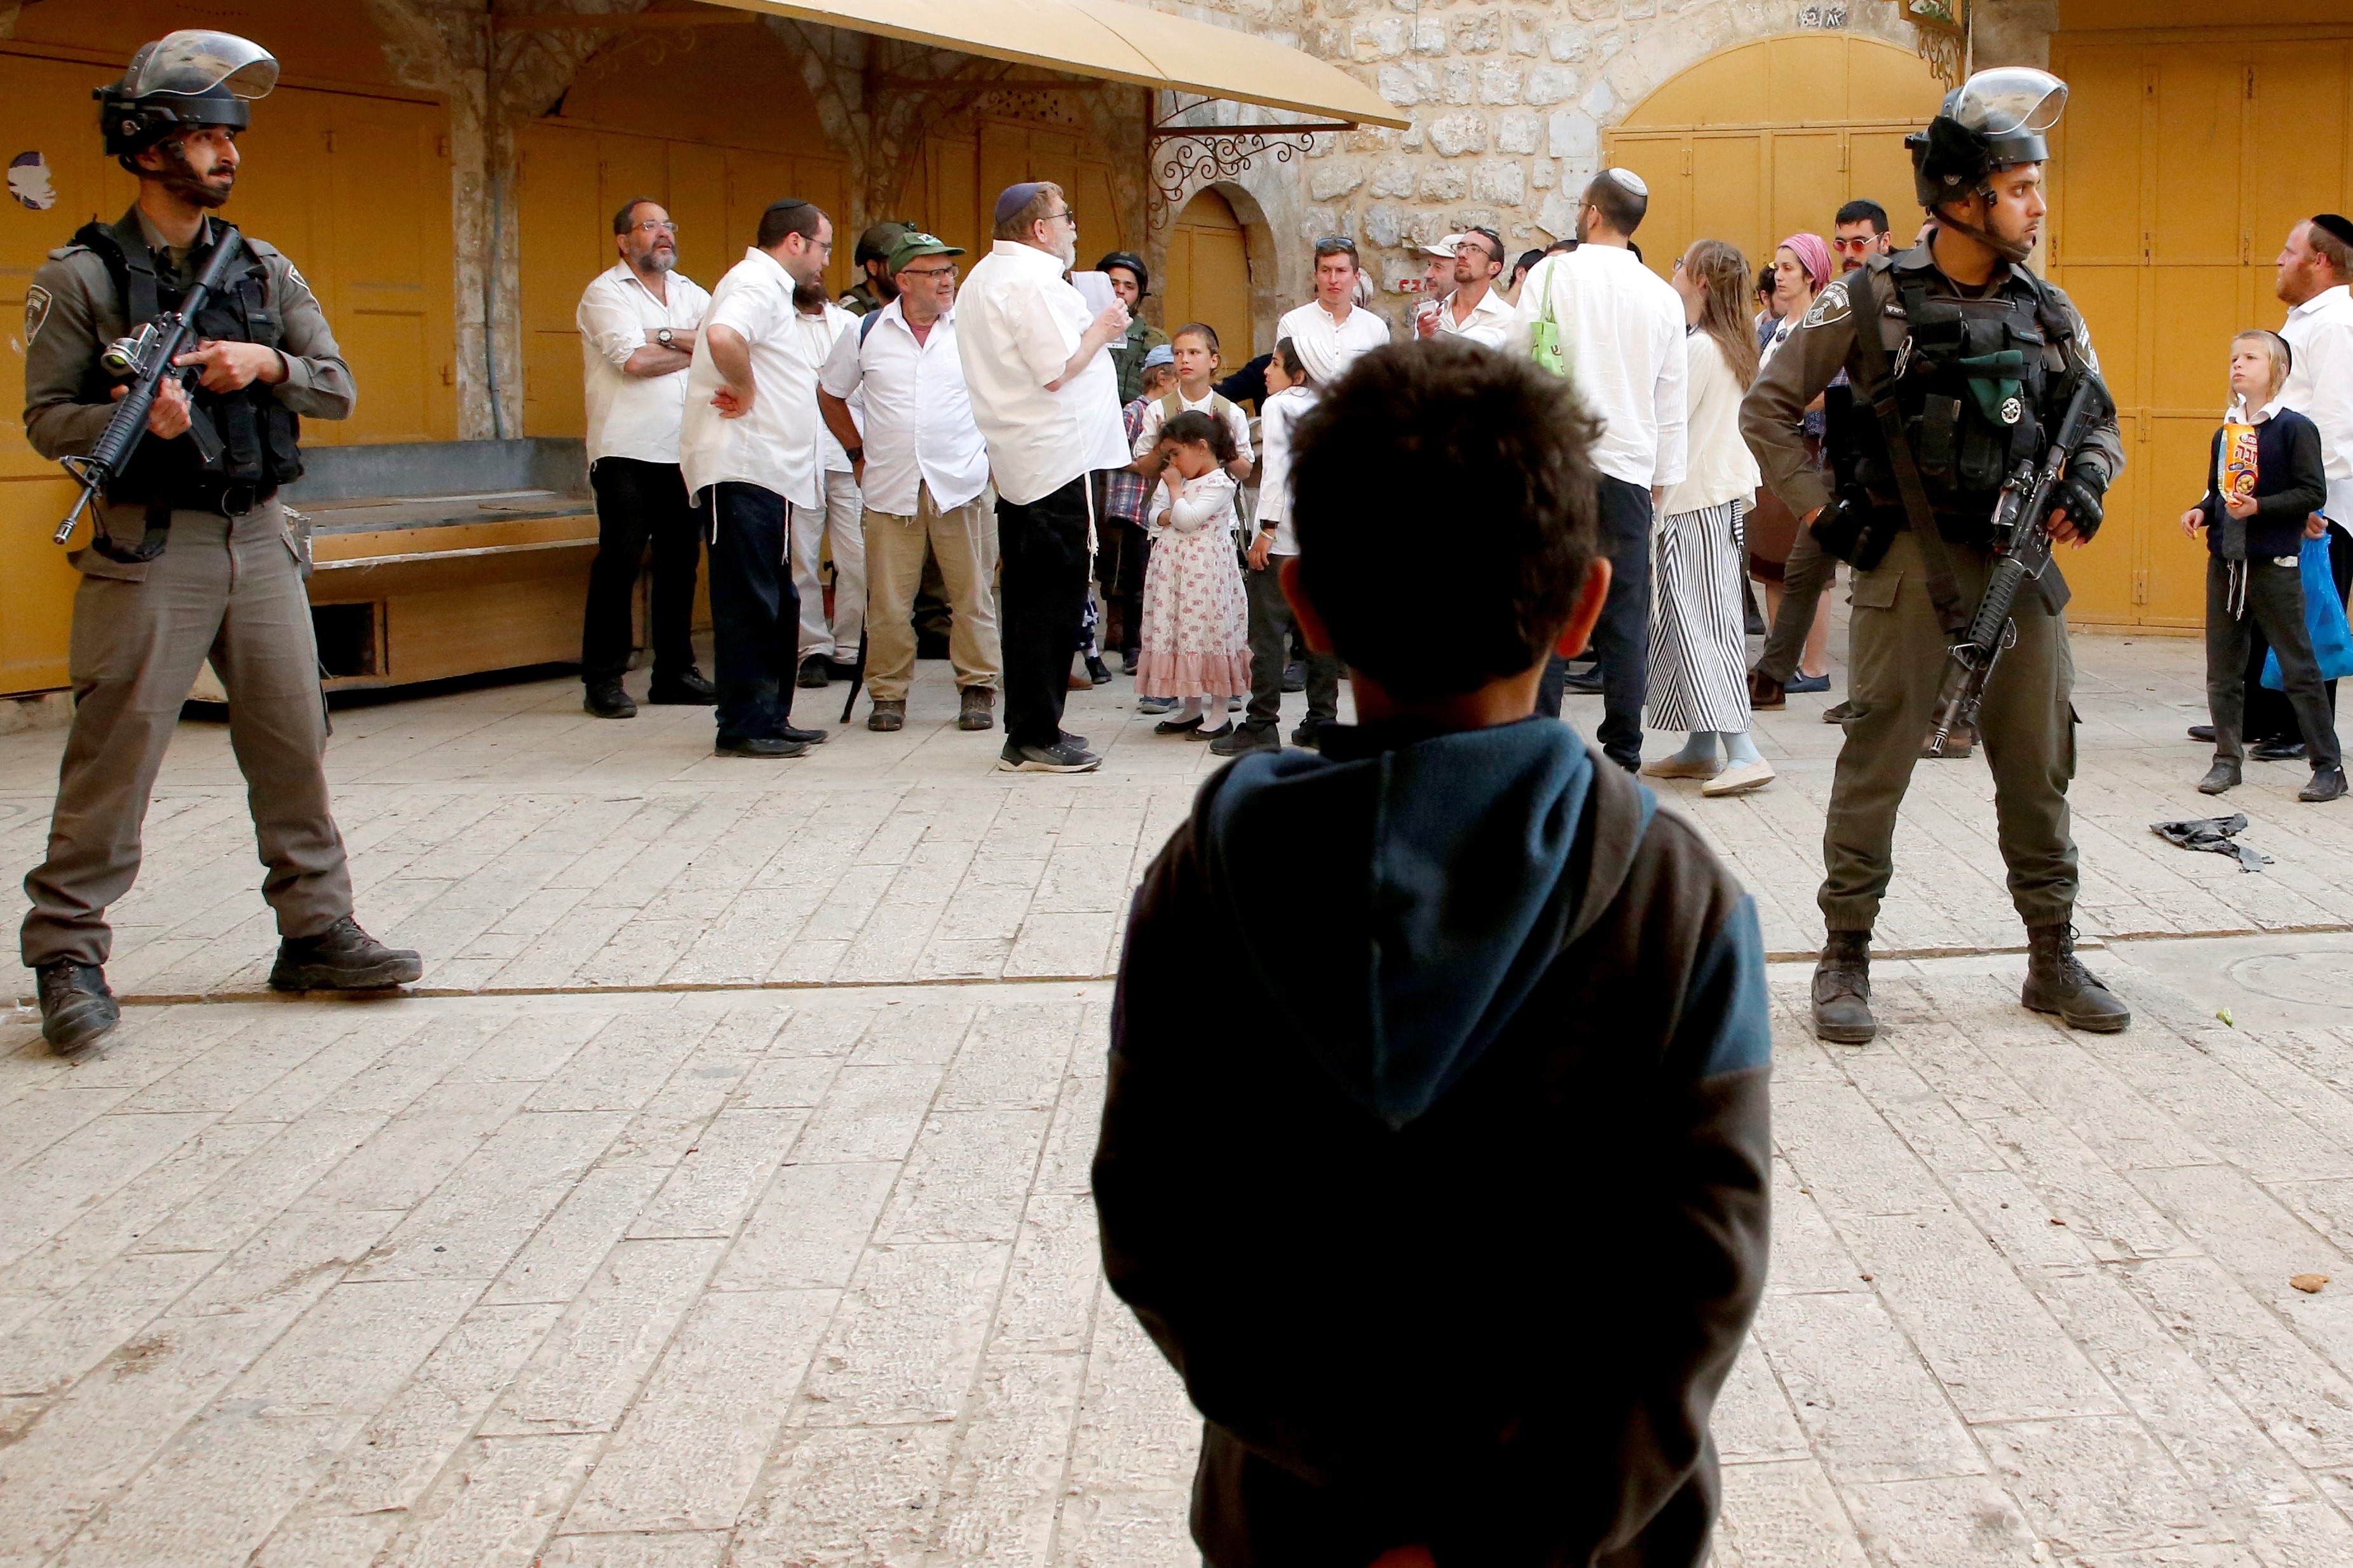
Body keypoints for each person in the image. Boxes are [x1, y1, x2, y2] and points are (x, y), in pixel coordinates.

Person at [1092, 338, 1770, 1568]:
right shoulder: (1680, 896)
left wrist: (1376, 1500)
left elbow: (1159, 1220)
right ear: (1586, 608)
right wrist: (1514, 1529)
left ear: (1304, 607)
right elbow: (1697, 1273)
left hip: (1300, 1523)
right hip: (1593, 1528)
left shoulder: (1202, 882)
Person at [21, 29, 421, 1051]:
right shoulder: (80, 277)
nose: (226, 152)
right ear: (148, 146)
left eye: (228, 134)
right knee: (118, 752)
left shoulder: (262, 267)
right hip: (148, 545)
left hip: (258, 536)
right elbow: (45, 418)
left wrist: (265, 364)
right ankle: (68, 953)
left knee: (294, 743)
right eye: (203, 133)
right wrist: (127, 418)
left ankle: (316, 930)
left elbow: (335, 384)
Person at [1740, 65, 2131, 1043]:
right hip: (1905, 560)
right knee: (1875, 759)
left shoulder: (2048, 309)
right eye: (2020, 188)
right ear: (1962, 198)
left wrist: (2084, 486)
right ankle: (1843, 957)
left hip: (2022, 569)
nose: (2037, 206)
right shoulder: (1864, 301)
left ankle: (2050, 954)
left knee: (2038, 765)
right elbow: (1768, 408)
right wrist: (1824, 516)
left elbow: (2099, 421)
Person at [1510, 168, 1688, 772]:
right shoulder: (1663, 296)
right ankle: (1624, 749)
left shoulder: (1551, 274)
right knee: (1626, 610)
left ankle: (1540, 739)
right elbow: (1670, 399)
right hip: (1629, 468)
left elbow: (1518, 360)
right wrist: (1660, 478)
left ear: (1591, 212)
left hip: (1558, 462)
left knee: (1550, 602)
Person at [956, 180, 1131, 773]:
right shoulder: (1028, 280)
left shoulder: (986, 275)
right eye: (1067, 217)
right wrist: (1103, 328)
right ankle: (1034, 734)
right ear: (1039, 228)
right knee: (1048, 604)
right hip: (1055, 459)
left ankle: (1035, 727)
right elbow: (1057, 368)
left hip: (1029, 457)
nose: (1074, 228)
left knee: (1038, 599)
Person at [818, 230, 1001, 734]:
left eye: (950, 271)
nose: (947, 282)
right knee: (889, 602)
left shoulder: (970, 328)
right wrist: (856, 452)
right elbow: (831, 394)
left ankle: (978, 687)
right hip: (890, 485)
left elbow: (1005, 391)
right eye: (936, 273)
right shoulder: (866, 331)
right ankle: (889, 693)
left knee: (972, 595)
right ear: (903, 280)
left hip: (959, 481)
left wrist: (991, 452)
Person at [678, 198, 837, 759]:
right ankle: (744, 722)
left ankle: (771, 715)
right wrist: (744, 388)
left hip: (771, 472)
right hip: (742, 467)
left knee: (777, 598)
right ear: (794, 242)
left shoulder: (771, 288)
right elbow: (723, 337)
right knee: (748, 600)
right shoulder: (755, 280)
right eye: (822, 248)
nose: (824, 263)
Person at [2182, 330, 2343, 800]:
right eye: (2233, 357)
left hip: (2274, 564)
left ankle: (2327, 765)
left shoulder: (2294, 428)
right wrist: (2201, 510)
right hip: (2227, 564)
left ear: (2276, 371)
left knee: (2298, 667)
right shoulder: (2226, 432)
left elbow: (2311, 493)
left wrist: (2260, 508)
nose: (2237, 365)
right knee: (2224, 670)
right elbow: (2219, 493)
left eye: (2250, 358)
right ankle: (2227, 760)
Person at [576, 199, 714, 719]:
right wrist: (690, 345)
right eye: (650, 226)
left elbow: (722, 345)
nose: (663, 236)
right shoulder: (604, 293)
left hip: (683, 449)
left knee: (681, 564)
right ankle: (604, 679)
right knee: (620, 563)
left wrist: (662, 336)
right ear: (623, 240)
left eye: (668, 226)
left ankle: (674, 672)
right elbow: (632, 361)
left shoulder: (690, 291)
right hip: (626, 450)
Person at [1645, 240, 1771, 796]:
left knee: (1701, 625)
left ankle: (1741, 749)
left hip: (1692, 500)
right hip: (1713, 498)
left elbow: (1665, 423)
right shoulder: (1731, 345)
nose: (1672, 271)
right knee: (1688, 619)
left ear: (1699, 281)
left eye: (1680, 263)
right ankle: (1701, 745)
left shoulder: (1702, 350)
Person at [1214, 337, 1340, 755]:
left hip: (1283, 535)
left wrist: (1265, 528)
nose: (1265, 373)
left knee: (1267, 632)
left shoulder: (1278, 405)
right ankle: (1322, 721)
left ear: (1297, 373)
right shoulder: (1330, 408)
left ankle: (1261, 723)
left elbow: (1278, 472)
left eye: (1274, 364)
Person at [1746, 233, 1839, 706]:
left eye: (1787, 267)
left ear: (1810, 274)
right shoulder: (1769, 328)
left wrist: (1784, 406)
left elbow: (1836, 389)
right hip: (1769, 454)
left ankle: (1814, 665)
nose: (1778, 275)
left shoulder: (1827, 327)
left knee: (1809, 564)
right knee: (1770, 563)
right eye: (1776, 266)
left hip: (1807, 450)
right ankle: (1776, 660)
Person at [1135, 412, 1252, 739]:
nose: (1172, 462)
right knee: (1181, 632)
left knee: (1207, 632)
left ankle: (1218, 712)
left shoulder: (1219, 484)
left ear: (1201, 447)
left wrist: (1174, 493)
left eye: (1176, 453)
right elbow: (1154, 516)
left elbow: (1187, 520)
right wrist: (1175, 506)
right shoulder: (1178, 481)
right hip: (1174, 571)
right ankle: (1190, 708)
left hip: (1203, 574)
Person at [789, 281, 865, 690]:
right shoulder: (778, 324)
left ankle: (849, 646)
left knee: (857, 558)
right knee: (802, 558)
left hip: (848, 454)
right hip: (796, 457)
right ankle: (812, 649)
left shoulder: (849, 324)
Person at [1108, 344, 1179, 687]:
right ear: (1163, 377)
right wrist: (1148, 464)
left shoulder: (1177, 411)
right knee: (1134, 581)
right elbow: (1116, 452)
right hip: (1134, 506)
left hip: (1162, 509)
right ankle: (1132, 646)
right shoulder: (1135, 411)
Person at [1127, 322, 1254, 484]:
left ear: (1213, 360)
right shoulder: (1158, 409)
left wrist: (1222, 444)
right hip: (1169, 504)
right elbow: (1145, 470)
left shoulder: (1230, 412)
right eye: (1178, 354)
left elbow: (1245, 472)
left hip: (1218, 505)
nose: (1185, 360)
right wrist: (1161, 447)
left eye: (1194, 353)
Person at [1277, 236, 1391, 388]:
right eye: (1326, 271)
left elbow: (1385, 386)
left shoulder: (1375, 328)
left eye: (1341, 271)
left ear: (1356, 278)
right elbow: (1282, 380)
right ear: (1316, 276)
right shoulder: (1293, 323)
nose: (1333, 279)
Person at [1418, 226, 1514, 348]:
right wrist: (1423, 340)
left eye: (1474, 249)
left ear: (1493, 268)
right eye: (1460, 247)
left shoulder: (1508, 320)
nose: (1462, 254)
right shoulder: (1433, 315)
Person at [1098, 250, 1172, 406]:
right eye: (1113, 284)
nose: (1120, 291)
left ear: (1139, 295)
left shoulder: (1154, 340)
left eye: (1129, 286)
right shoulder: (1077, 328)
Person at [840, 219, 910, 316]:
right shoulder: (849, 313)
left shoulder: (912, 306)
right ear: (873, 267)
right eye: (896, 262)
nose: (905, 270)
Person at [1832, 198, 1893, 274]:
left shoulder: (1903, 284)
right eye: (1840, 245)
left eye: (1858, 244)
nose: (1848, 255)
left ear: (1884, 242)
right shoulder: (1835, 286)